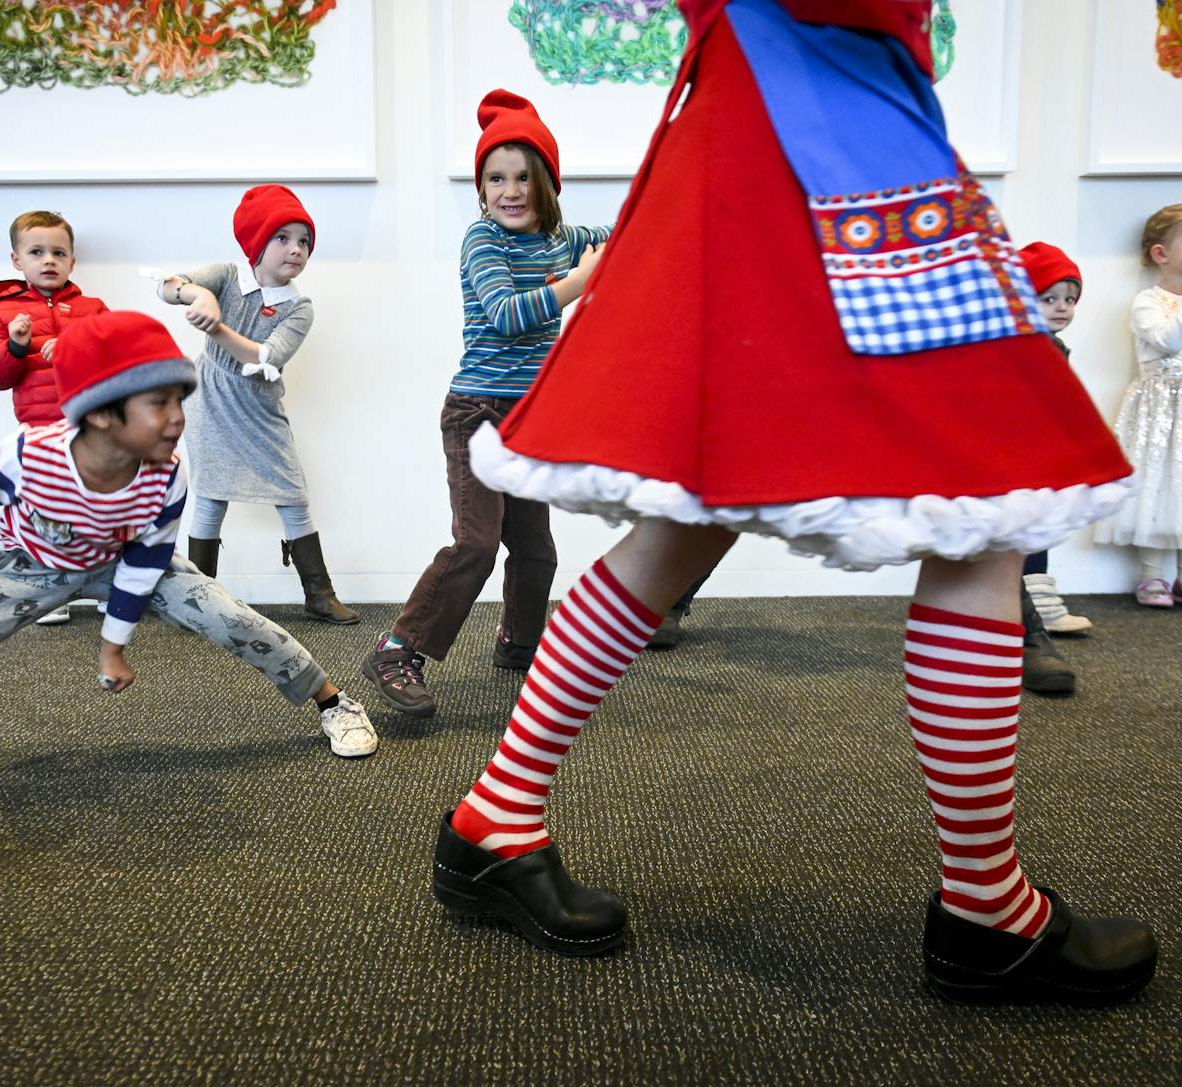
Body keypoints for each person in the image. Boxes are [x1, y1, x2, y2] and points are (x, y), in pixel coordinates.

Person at [431, 0, 1157, 1005]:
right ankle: (986, 909)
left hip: (747, 120)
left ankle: (491, 818)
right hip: (832, 121)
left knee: (691, 509)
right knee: (980, 488)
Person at [0, 311, 377, 798]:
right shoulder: (28, 453)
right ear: (101, 413)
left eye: (180, 399)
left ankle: (331, 701)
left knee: (232, 618)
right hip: (24, 566)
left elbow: (146, 564)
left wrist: (111, 646)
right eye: (159, 403)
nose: (178, 417)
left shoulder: (167, 472)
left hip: (121, 562)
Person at [360, 90, 610, 718]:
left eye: (524, 176)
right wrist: (581, 281)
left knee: (536, 551)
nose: (510, 191)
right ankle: (397, 648)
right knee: (476, 541)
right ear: (481, 190)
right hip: (477, 413)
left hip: (531, 419)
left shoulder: (566, 236)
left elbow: (637, 231)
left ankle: (519, 644)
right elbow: (505, 315)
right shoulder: (483, 240)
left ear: (548, 180)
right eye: (496, 178)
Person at [154, 185, 357, 625]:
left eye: (303, 241)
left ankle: (318, 593)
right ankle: (198, 599)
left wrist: (217, 327)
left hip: (258, 407)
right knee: (210, 495)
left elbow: (266, 357)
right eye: (283, 237)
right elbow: (168, 286)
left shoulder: (299, 307)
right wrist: (198, 296)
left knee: (291, 492)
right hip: (208, 399)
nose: (296, 249)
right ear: (256, 241)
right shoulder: (227, 275)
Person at [0, 210, 110, 626]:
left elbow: (120, 360)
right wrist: (18, 346)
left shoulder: (93, 309)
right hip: (39, 434)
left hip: (93, 428)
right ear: (17, 260)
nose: (48, 260)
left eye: (59, 252)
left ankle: (110, 585)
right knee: (45, 510)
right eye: (37, 252)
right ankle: (51, 591)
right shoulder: (4, 315)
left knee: (102, 507)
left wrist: (77, 348)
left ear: (72, 261)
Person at [1094, 204, 1182, 607]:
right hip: (1160, 409)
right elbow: (1168, 341)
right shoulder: (1148, 301)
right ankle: (1151, 575)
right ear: (1161, 254)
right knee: (1157, 484)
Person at [1017, 242, 1092, 636]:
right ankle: (1032, 607)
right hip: (1019, 457)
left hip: (1043, 456)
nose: (1062, 307)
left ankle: (1039, 603)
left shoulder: (1055, 346)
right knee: (1026, 531)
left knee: (1040, 528)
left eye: (1069, 299)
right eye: (1048, 299)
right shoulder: (1022, 347)